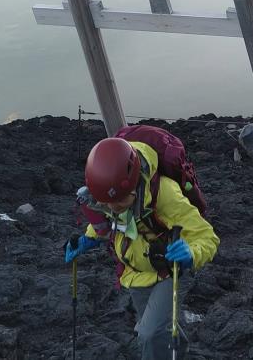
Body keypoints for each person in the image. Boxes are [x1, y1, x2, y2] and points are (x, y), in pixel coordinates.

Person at [65, 135, 219, 360]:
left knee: (149, 333)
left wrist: (192, 254)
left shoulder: (164, 194)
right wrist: (89, 238)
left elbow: (207, 237)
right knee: (158, 328)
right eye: (107, 203)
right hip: (135, 273)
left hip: (168, 270)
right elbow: (111, 219)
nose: (113, 208)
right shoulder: (111, 192)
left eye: (119, 202)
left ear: (135, 183)